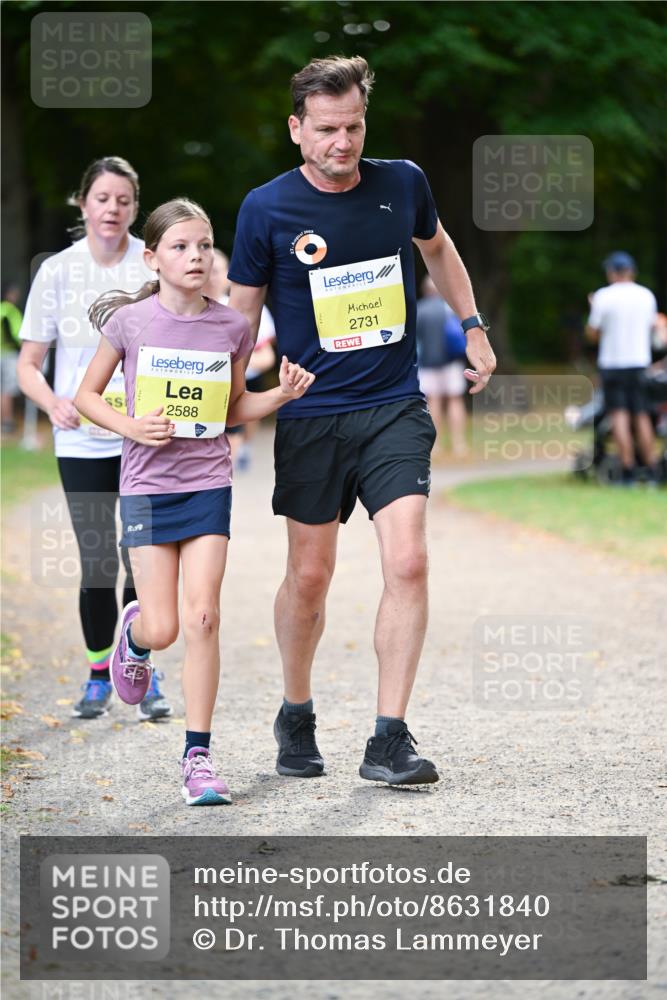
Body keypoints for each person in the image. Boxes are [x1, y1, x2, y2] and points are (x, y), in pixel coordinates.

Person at [228, 55, 495, 786]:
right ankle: (295, 709)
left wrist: (471, 325)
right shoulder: (265, 208)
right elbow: (240, 318)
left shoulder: (401, 182)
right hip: (310, 412)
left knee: (407, 560)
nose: (341, 143)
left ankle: (388, 740)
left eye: (352, 127)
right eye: (325, 130)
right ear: (296, 129)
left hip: (392, 406)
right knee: (308, 577)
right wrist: (224, 406)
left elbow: (437, 249)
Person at [75, 198, 315, 805]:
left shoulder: (234, 326)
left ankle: (198, 757)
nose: (196, 256)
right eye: (181, 247)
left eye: (204, 246)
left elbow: (232, 408)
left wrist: (279, 395)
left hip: (208, 482)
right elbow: (87, 396)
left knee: (203, 617)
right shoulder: (131, 324)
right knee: (163, 626)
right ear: (153, 258)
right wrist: (131, 427)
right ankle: (136, 638)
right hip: (147, 490)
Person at [17, 156, 172, 722]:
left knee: (144, 560)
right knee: (99, 562)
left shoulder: (151, 265)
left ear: (135, 207)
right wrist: (52, 401)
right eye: (103, 198)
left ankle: (143, 673)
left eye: (124, 200)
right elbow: (30, 363)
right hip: (81, 440)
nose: (113, 209)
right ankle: (97, 673)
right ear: (82, 204)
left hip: (141, 439)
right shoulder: (56, 270)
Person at [586, 251, 658, 485]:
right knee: (642, 415)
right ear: (632, 271)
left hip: (613, 364)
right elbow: (651, 327)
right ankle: (650, 468)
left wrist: (593, 308)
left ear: (611, 272)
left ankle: (626, 469)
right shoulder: (646, 295)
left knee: (619, 416)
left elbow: (592, 333)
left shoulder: (603, 297)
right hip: (639, 363)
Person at [203, 248, 277, 470]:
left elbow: (267, 358)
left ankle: (244, 447)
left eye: (215, 270)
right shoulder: (178, 308)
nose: (210, 276)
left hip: (236, 388)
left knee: (221, 472)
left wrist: (225, 363)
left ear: (227, 275)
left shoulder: (245, 309)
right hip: (196, 395)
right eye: (205, 270)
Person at [416, 275, 469, 459]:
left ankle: (436, 445)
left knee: (433, 402)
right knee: (455, 400)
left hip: (427, 364)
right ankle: (458, 444)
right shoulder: (450, 309)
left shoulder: (419, 310)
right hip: (452, 362)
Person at [1, 283, 23, 434]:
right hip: (8, 355)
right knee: (7, 390)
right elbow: (19, 335)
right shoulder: (11, 311)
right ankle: (7, 422)